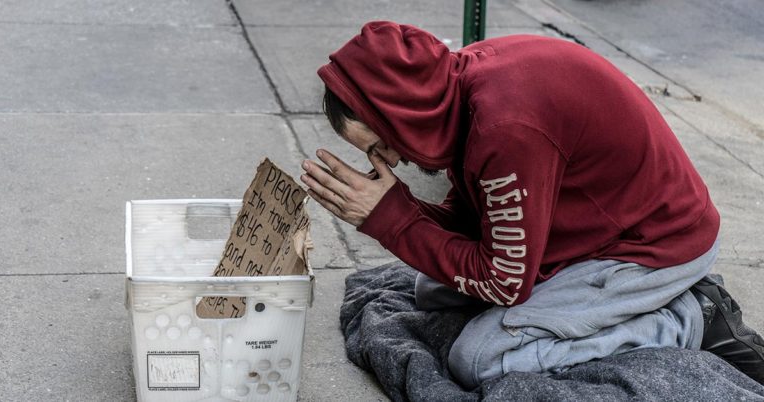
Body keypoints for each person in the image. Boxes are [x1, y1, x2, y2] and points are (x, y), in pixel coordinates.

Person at [300, 21, 764, 388]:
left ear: (403, 112)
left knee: (481, 358)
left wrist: (389, 220)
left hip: (654, 247)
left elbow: (504, 285)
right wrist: (391, 207)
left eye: (381, 142)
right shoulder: (459, 88)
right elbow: (470, 225)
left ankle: (685, 318)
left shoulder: (504, 130)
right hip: (589, 229)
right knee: (432, 288)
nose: (389, 160)